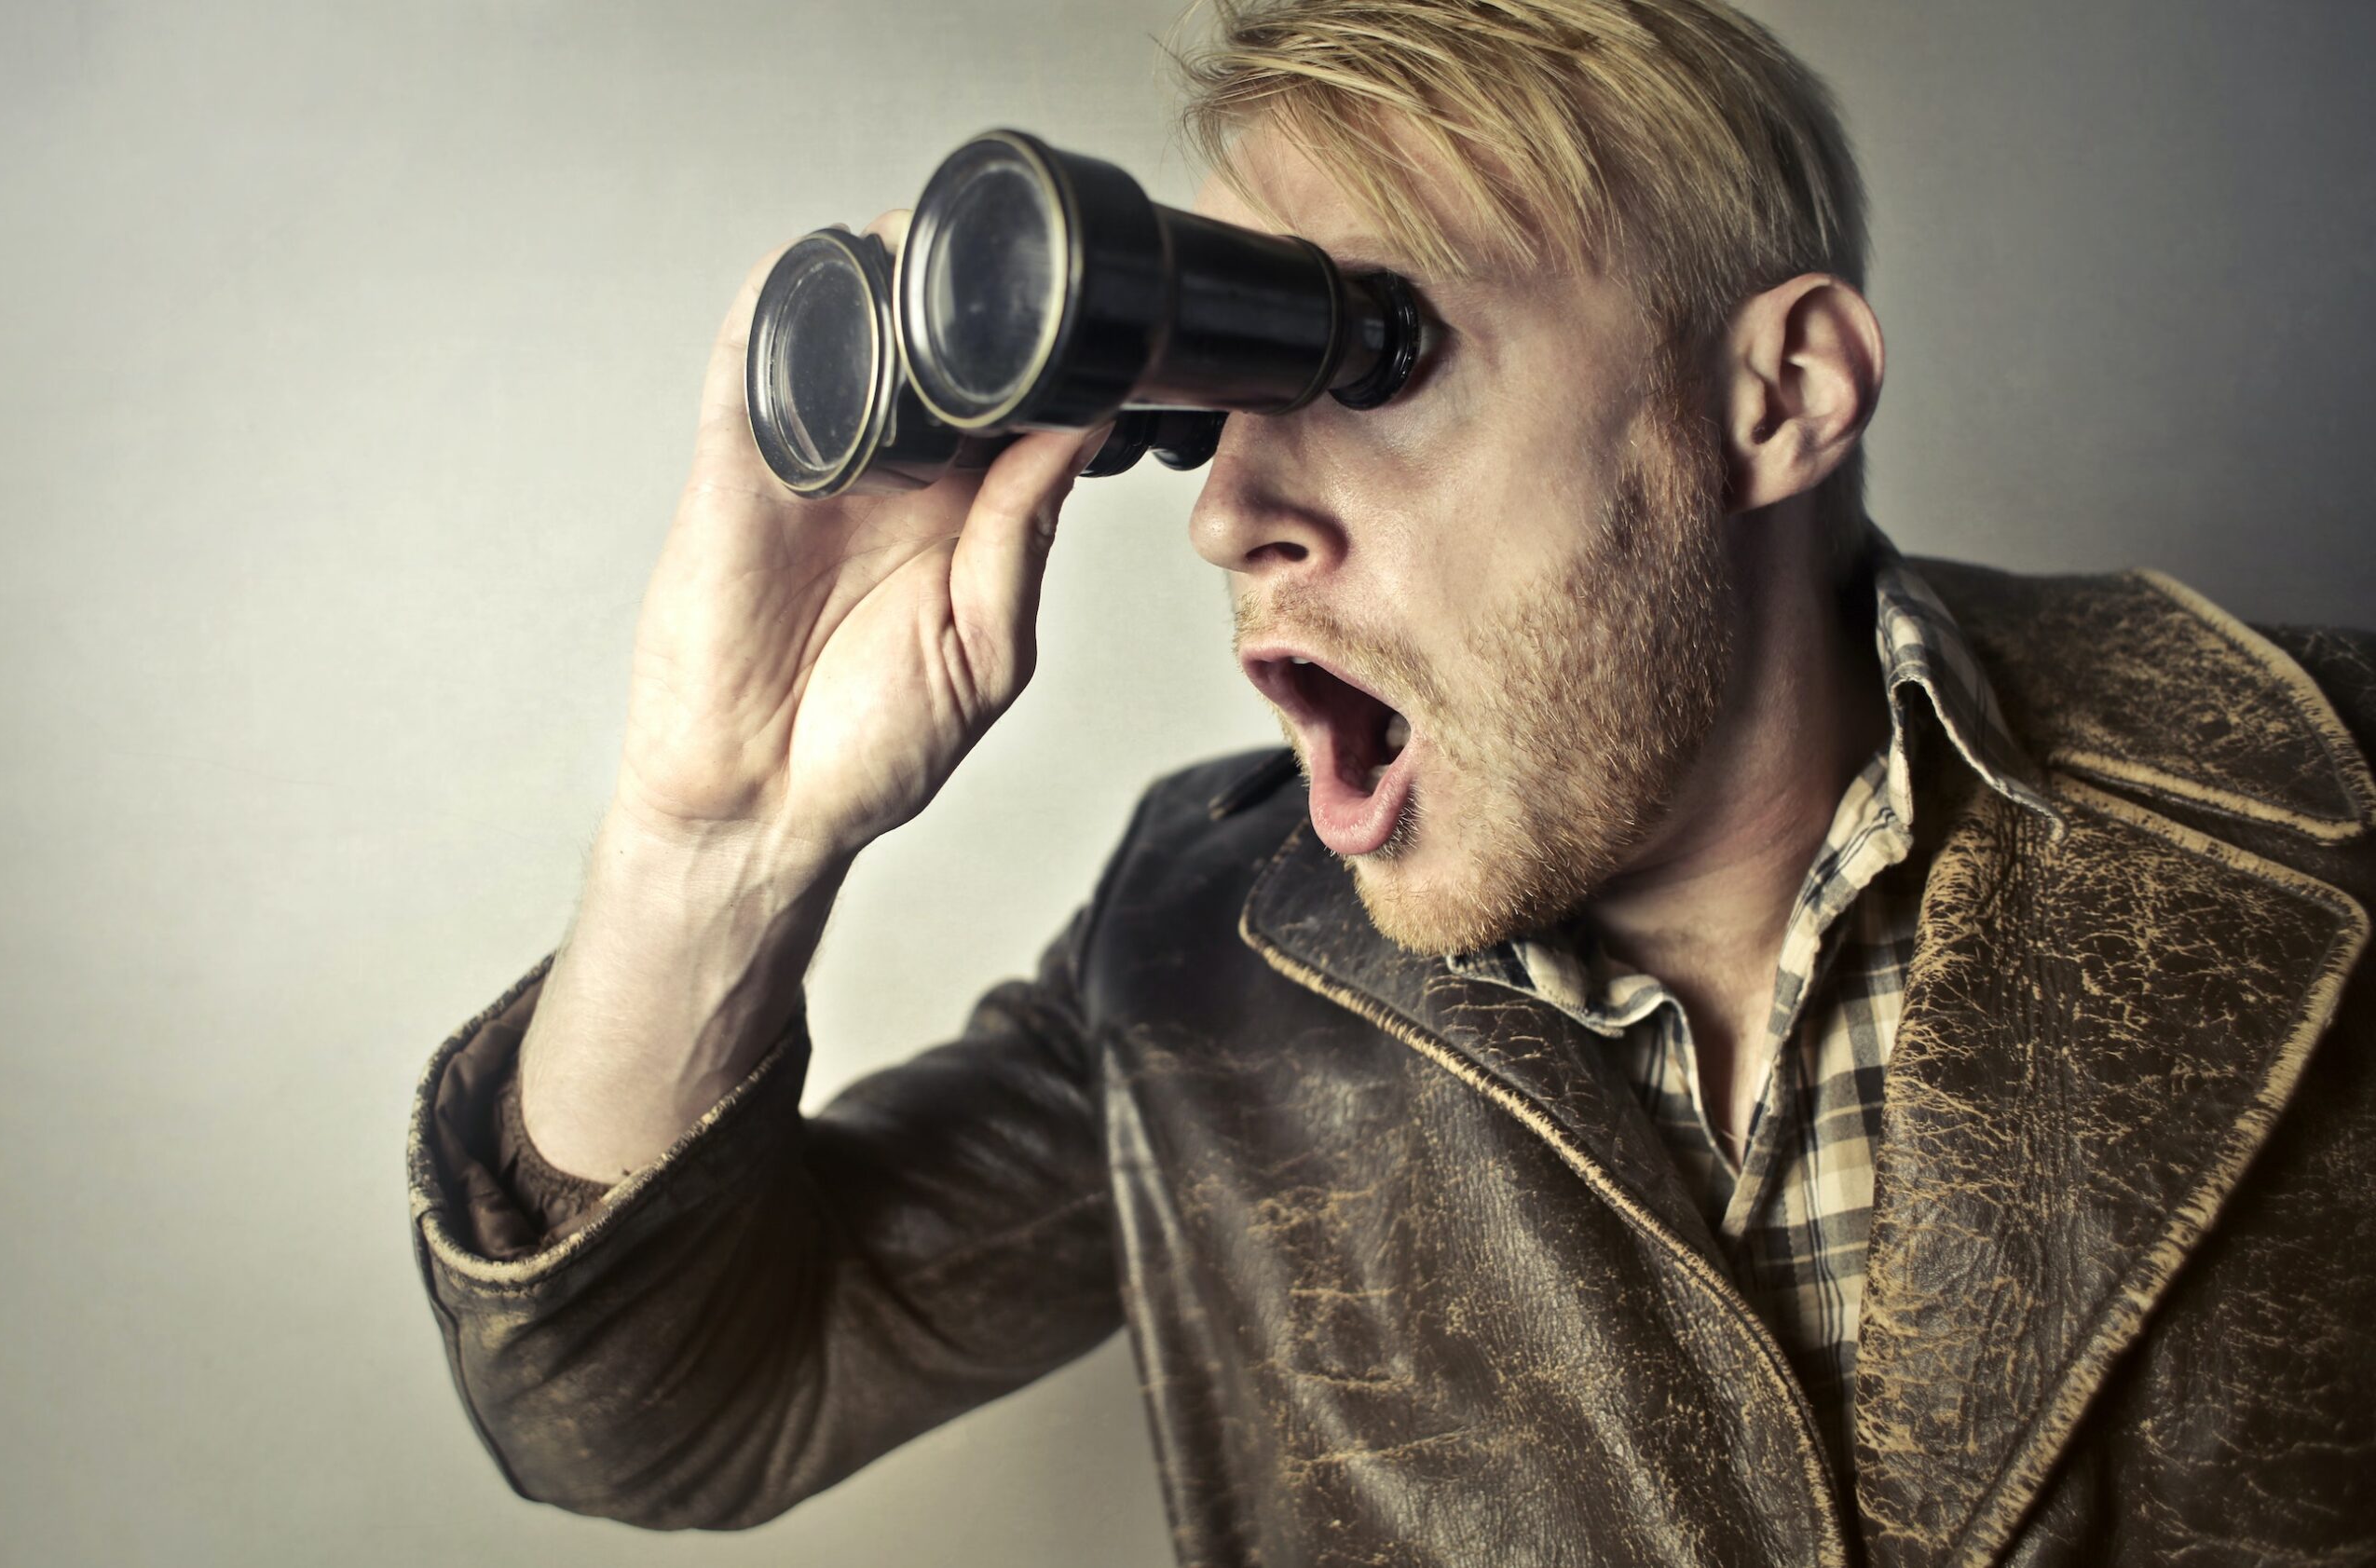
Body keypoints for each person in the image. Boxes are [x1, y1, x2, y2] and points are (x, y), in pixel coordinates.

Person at [405, 0, 2376, 1561]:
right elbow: (660, 1406)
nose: (1234, 513)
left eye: (1373, 356)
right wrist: (717, 843)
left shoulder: (2325, 787)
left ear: (1775, 396)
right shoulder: (1201, 951)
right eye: (1210, 414)